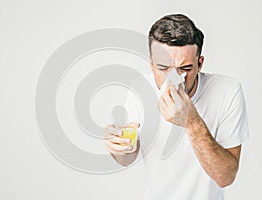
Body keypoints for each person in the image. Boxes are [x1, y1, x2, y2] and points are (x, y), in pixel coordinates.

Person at [104, 14, 249, 199]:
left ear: (200, 64)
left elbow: (226, 177)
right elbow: (127, 158)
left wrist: (191, 121)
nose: (174, 79)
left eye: (185, 69)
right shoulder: (140, 89)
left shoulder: (227, 91)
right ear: (151, 64)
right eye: (163, 68)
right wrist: (117, 147)